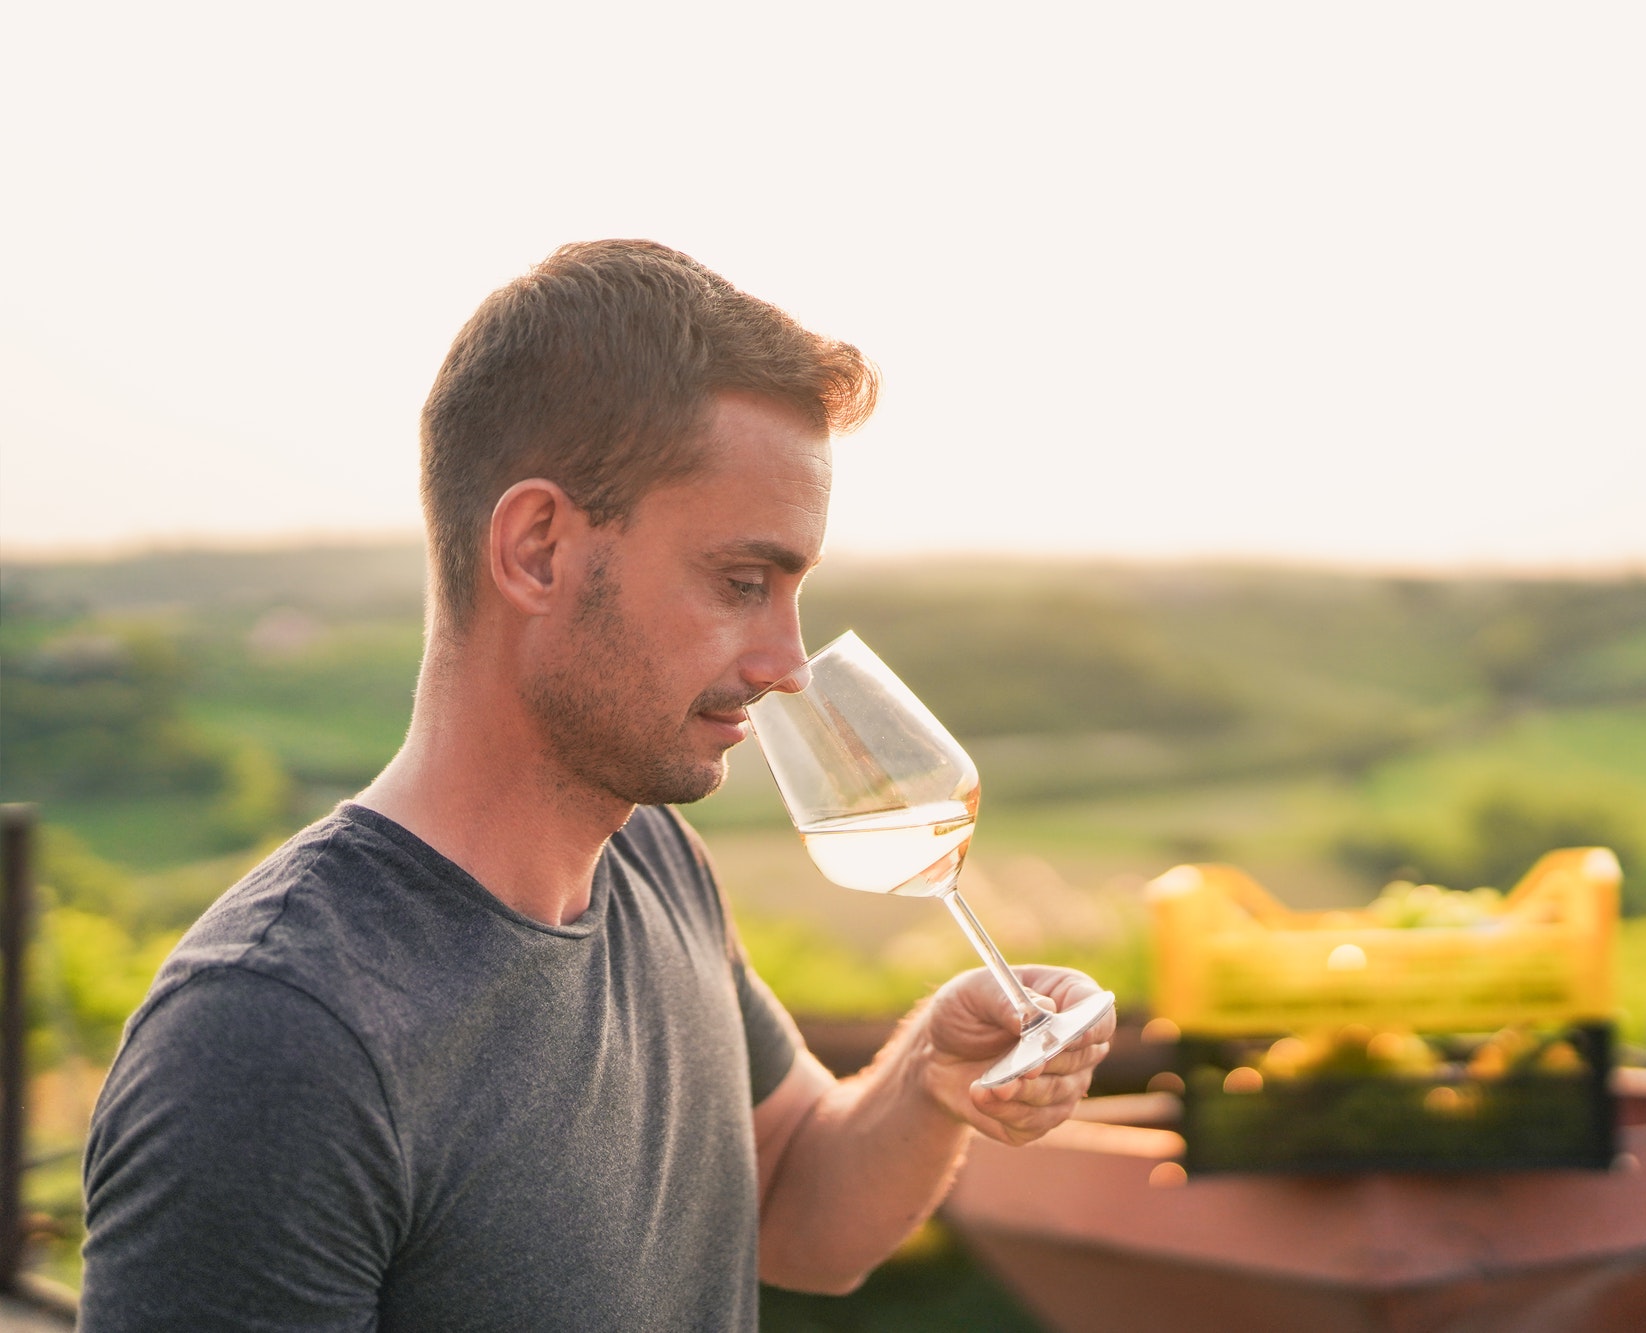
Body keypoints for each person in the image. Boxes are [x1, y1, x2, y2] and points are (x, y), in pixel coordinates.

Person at [80, 240, 1116, 1330]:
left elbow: (800, 1204)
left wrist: (927, 1079)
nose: (785, 663)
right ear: (536, 549)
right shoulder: (277, 1038)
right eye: (741, 582)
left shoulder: (653, 864)